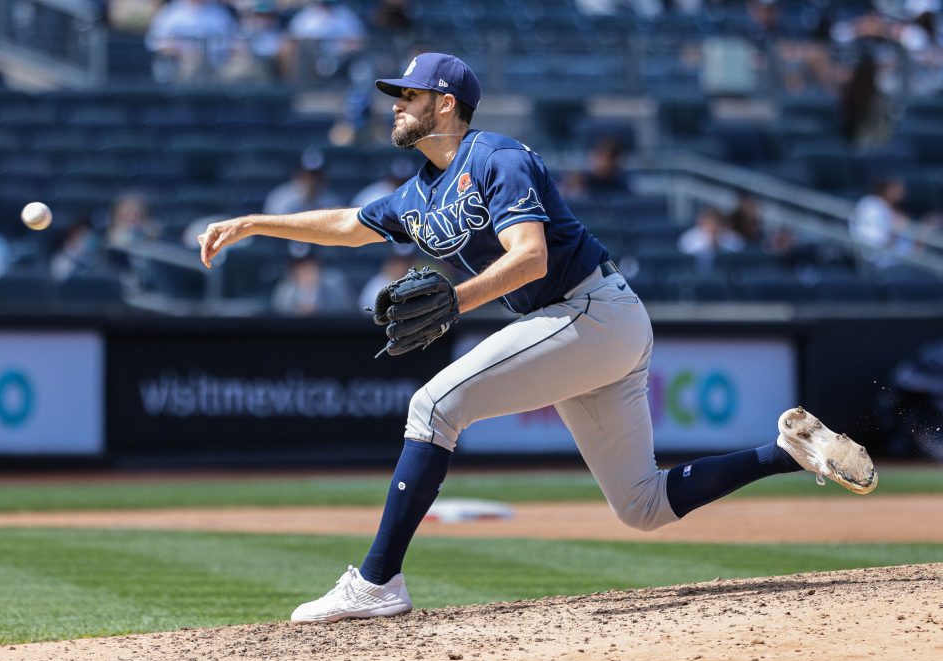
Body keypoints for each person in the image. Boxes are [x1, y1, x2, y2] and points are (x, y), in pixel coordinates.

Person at [197, 52, 879, 623]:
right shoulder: (418, 193)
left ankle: (378, 584)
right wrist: (259, 222)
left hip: (588, 311)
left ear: (444, 102)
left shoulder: (495, 156)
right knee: (642, 506)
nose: (394, 105)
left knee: (433, 407)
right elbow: (349, 223)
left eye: (407, 95)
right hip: (589, 327)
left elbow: (530, 259)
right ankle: (786, 452)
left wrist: (453, 304)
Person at [145, 0, 239, 83]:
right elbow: (155, 43)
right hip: (180, 64)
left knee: (244, 67)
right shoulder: (170, 13)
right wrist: (181, 52)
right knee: (195, 65)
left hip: (217, 64)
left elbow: (236, 42)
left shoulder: (219, 13)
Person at [850, 178, 913, 270]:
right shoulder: (871, 207)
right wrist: (895, 232)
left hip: (903, 264)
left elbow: (910, 250)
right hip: (881, 267)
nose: (902, 188)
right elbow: (872, 247)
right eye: (896, 185)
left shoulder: (897, 211)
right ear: (886, 187)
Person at [271, 249, 354, 316]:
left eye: (310, 266)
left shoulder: (334, 285)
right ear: (292, 271)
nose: (306, 271)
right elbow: (281, 318)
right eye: (299, 268)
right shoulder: (285, 291)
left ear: (318, 266)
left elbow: (346, 314)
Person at [263, 148, 342, 215]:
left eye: (317, 175)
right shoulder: (280, 199)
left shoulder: (333, 203)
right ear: (297, 174)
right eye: (307, 175)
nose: (312, 180)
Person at [561, 137, 632, 200]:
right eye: (597, 157)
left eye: (604, 158)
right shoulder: (582, 183)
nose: (598, 163)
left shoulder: (623, 187)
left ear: (614, 162)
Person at [678, 206, 746, 269]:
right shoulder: (689, 236)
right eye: (709, 221)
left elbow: (739, 252)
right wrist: (709, 245)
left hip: (727, 272)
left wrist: (720, 245)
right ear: (702, 222)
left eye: (716, 221)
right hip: (696, 274)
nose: (713, 225)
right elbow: (686, 253)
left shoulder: (732, 236)